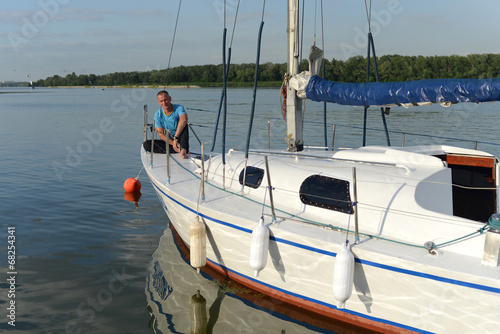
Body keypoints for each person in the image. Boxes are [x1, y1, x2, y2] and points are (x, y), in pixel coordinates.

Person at [153, 90, 190, 158]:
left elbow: (184, 119)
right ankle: (179, 150)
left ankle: (183, 149)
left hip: (180, 138)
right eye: (161, 101)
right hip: (169, 141)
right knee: (147, 145)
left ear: (170, 99)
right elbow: (161, 134)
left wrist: (176, 138)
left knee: (185, 125)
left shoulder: (179, 108)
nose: (164, 103)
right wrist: (174, 143)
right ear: (158, 102)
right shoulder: (157, 114)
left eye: (165, 100)